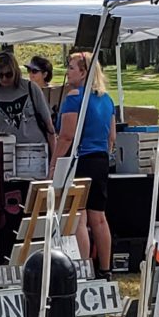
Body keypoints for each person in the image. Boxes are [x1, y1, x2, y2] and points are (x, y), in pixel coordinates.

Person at [54, 51, 117, 273]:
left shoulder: (74, 97)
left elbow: (66, 136)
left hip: (81, 159)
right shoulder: (107, 99)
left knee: (79, 216)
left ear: (83, 72)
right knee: (99, 217)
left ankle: (84, 268)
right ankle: (106, 268)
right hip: (100, 159)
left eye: (71, 67)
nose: (67, 72)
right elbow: (112, 137)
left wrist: (54, 164)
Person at [0, 51, 55, 152]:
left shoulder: (31, 88)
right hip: (6, 152)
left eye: (8, 74)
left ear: (15, 71)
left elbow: (49, 126)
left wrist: (54, 159)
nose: (4, 78)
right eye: (0, 75)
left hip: (35, 150)